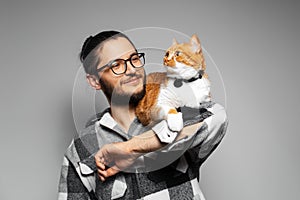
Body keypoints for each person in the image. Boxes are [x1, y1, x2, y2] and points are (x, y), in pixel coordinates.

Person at [58, 30, 228, 200]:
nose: (132, 69)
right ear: (94, 81)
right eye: (116, 65)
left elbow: (216, 116)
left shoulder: (173, 113)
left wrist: (131, 148)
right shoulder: (81, 149)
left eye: (134, 59)